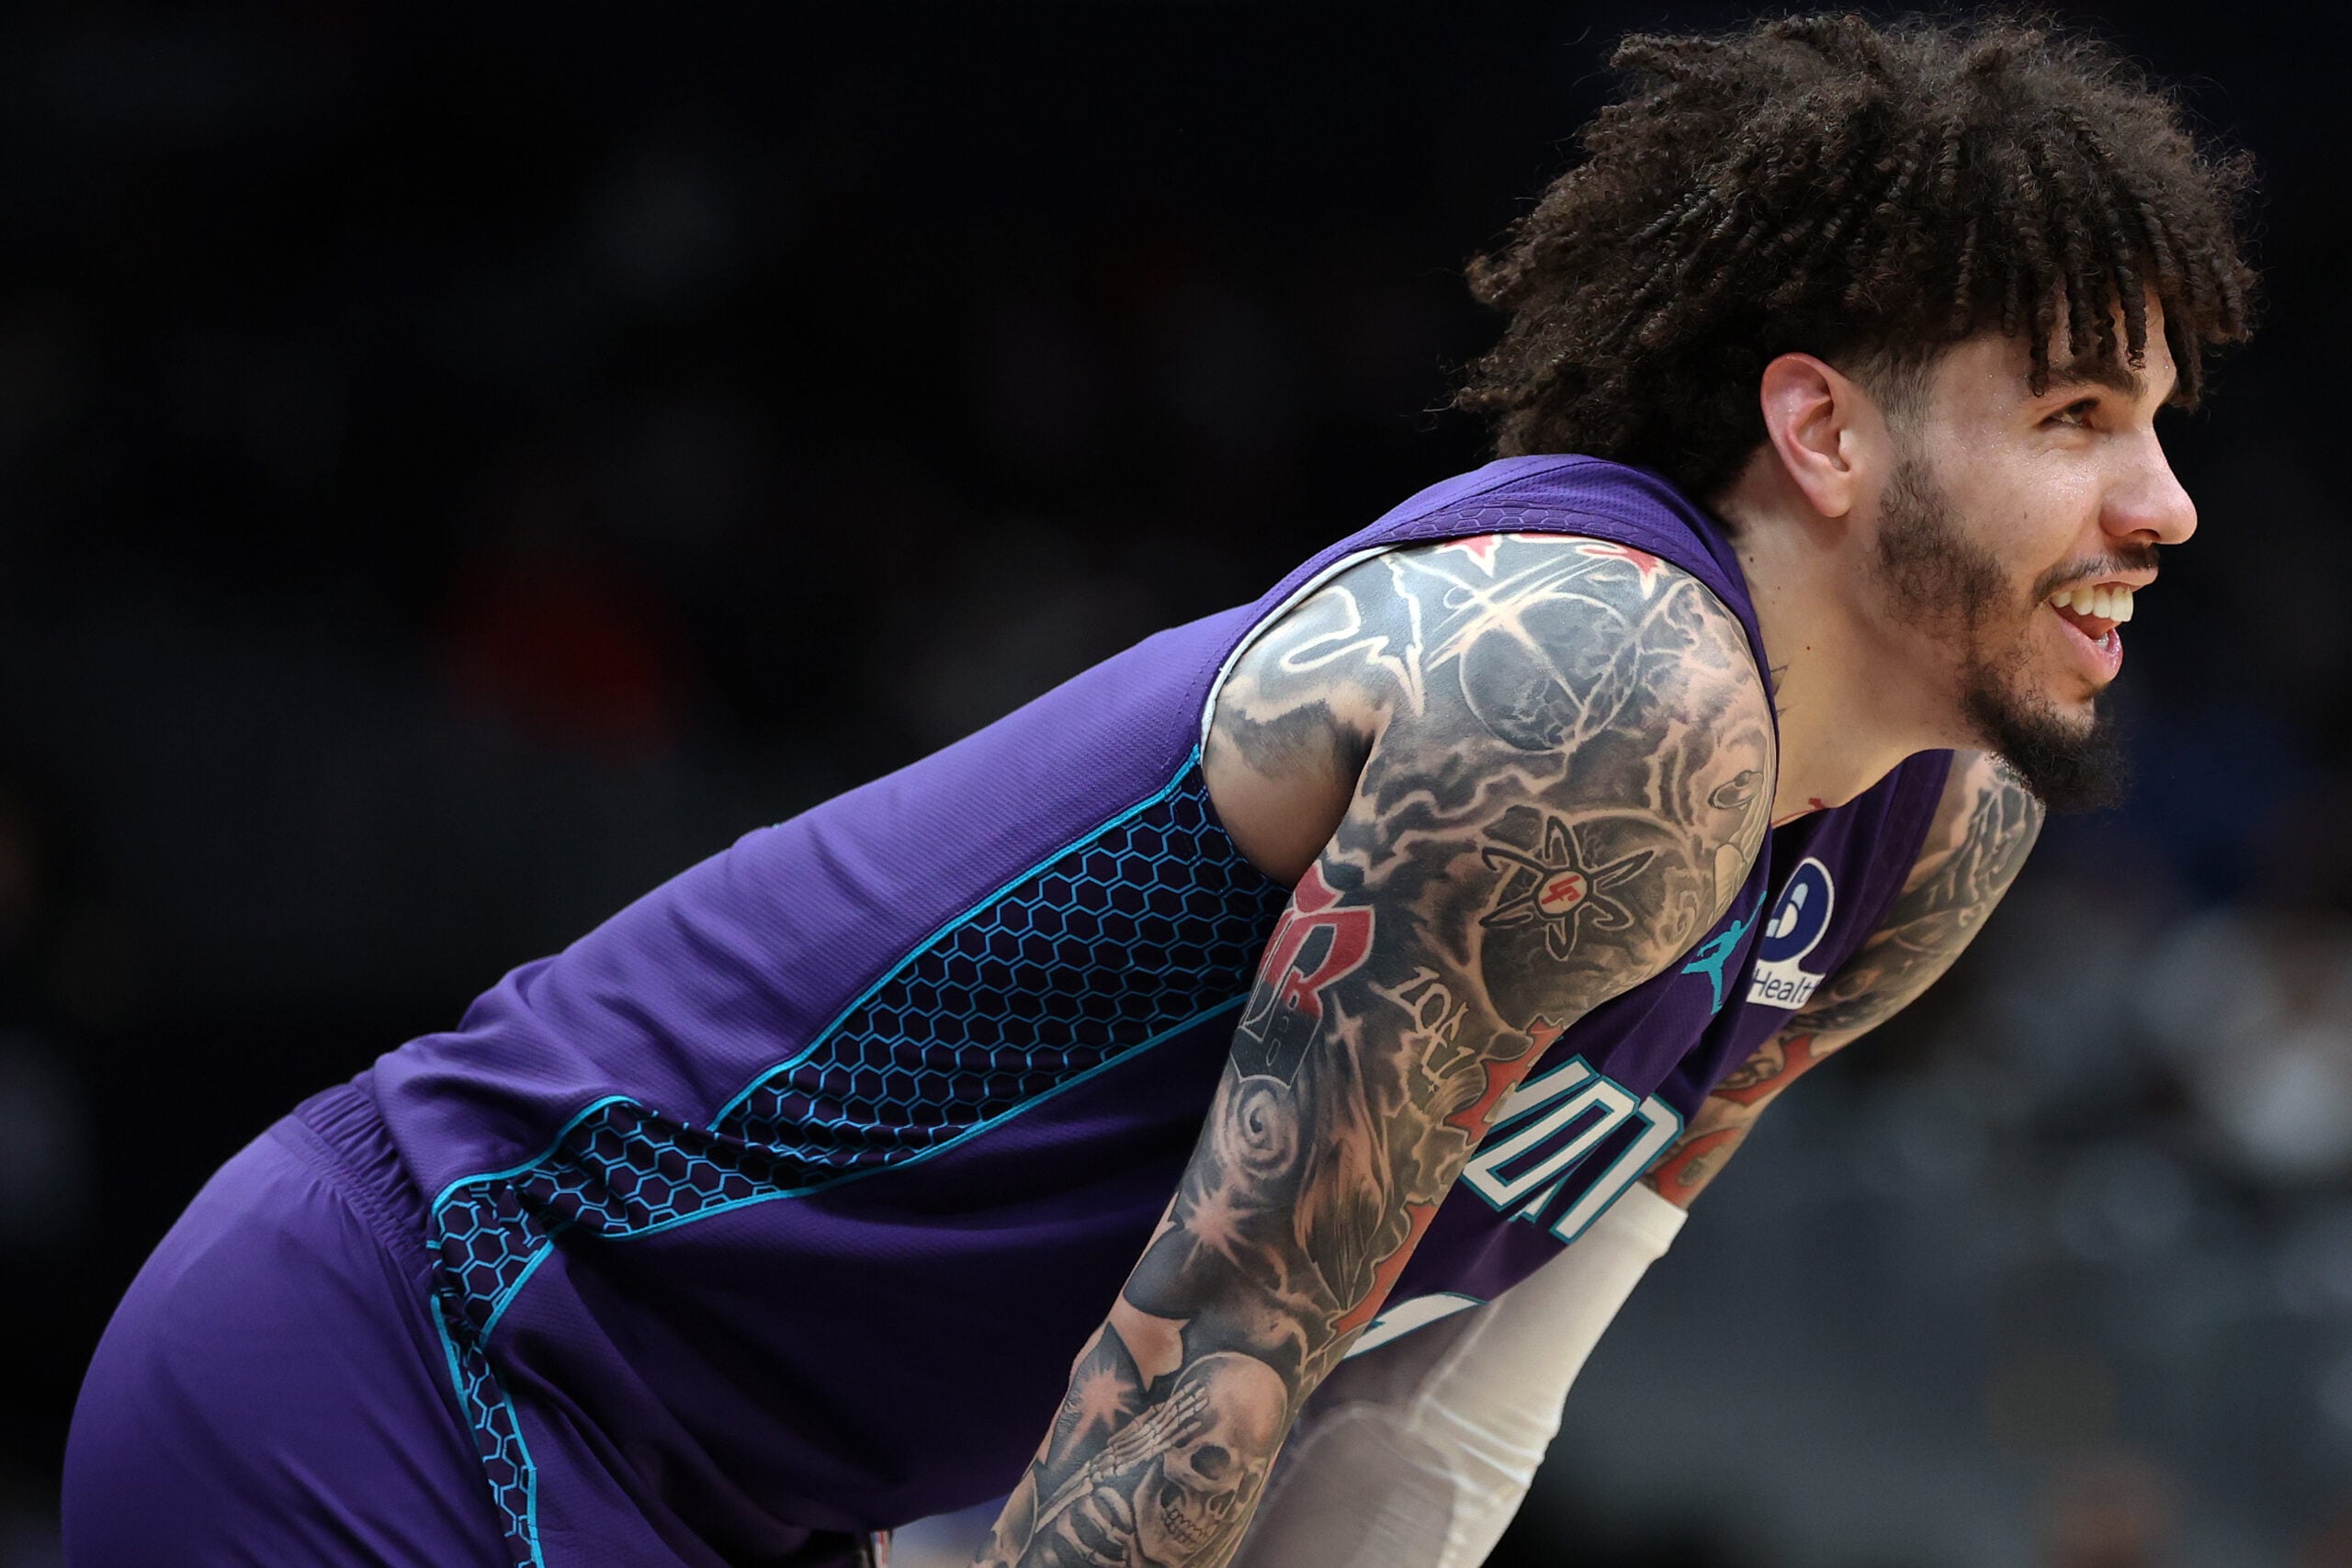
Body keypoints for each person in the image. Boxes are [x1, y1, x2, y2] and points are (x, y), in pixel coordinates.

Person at [61, 14, 2254, 1568]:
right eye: (2071, 410)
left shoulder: (1919, 834)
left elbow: (1442, 1400)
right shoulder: (1601, 682)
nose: (2158, 502)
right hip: (443, 1347)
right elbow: (1202, 1354)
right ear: (1823, 431)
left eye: (2159, 421)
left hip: (725, 1484)